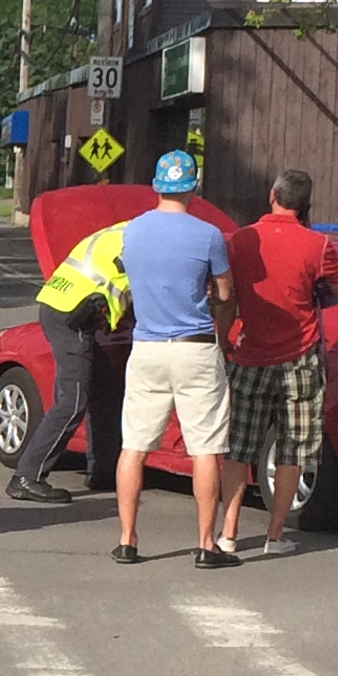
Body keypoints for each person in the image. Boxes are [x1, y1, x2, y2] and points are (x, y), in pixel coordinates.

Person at [112, 149, 236, 570]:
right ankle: (206, 544)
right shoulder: (209, 235)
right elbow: (224, 291)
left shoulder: (132, 231)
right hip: (195, 346)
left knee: (134, 446)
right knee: (204, 448)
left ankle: (127, 539)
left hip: (146, 345)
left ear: (156, 186)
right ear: (193, 187)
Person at [213, 168, 338, 556]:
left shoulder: (241, 240)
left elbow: (228, 299)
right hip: (300, 361)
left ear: (272, 195)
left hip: (250, 355)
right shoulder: (318, 245)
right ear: (306, 205)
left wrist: (223, 341)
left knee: (239, 449)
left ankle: (228, 533)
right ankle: (275, 534)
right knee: (294, 450)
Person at [9, 215, 133, 504]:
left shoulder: (123, 231)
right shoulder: (145, 242)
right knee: (73, 399)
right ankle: (27, 477)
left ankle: (102, 471)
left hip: (64, 304)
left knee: (103, 390)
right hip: (75, 314)